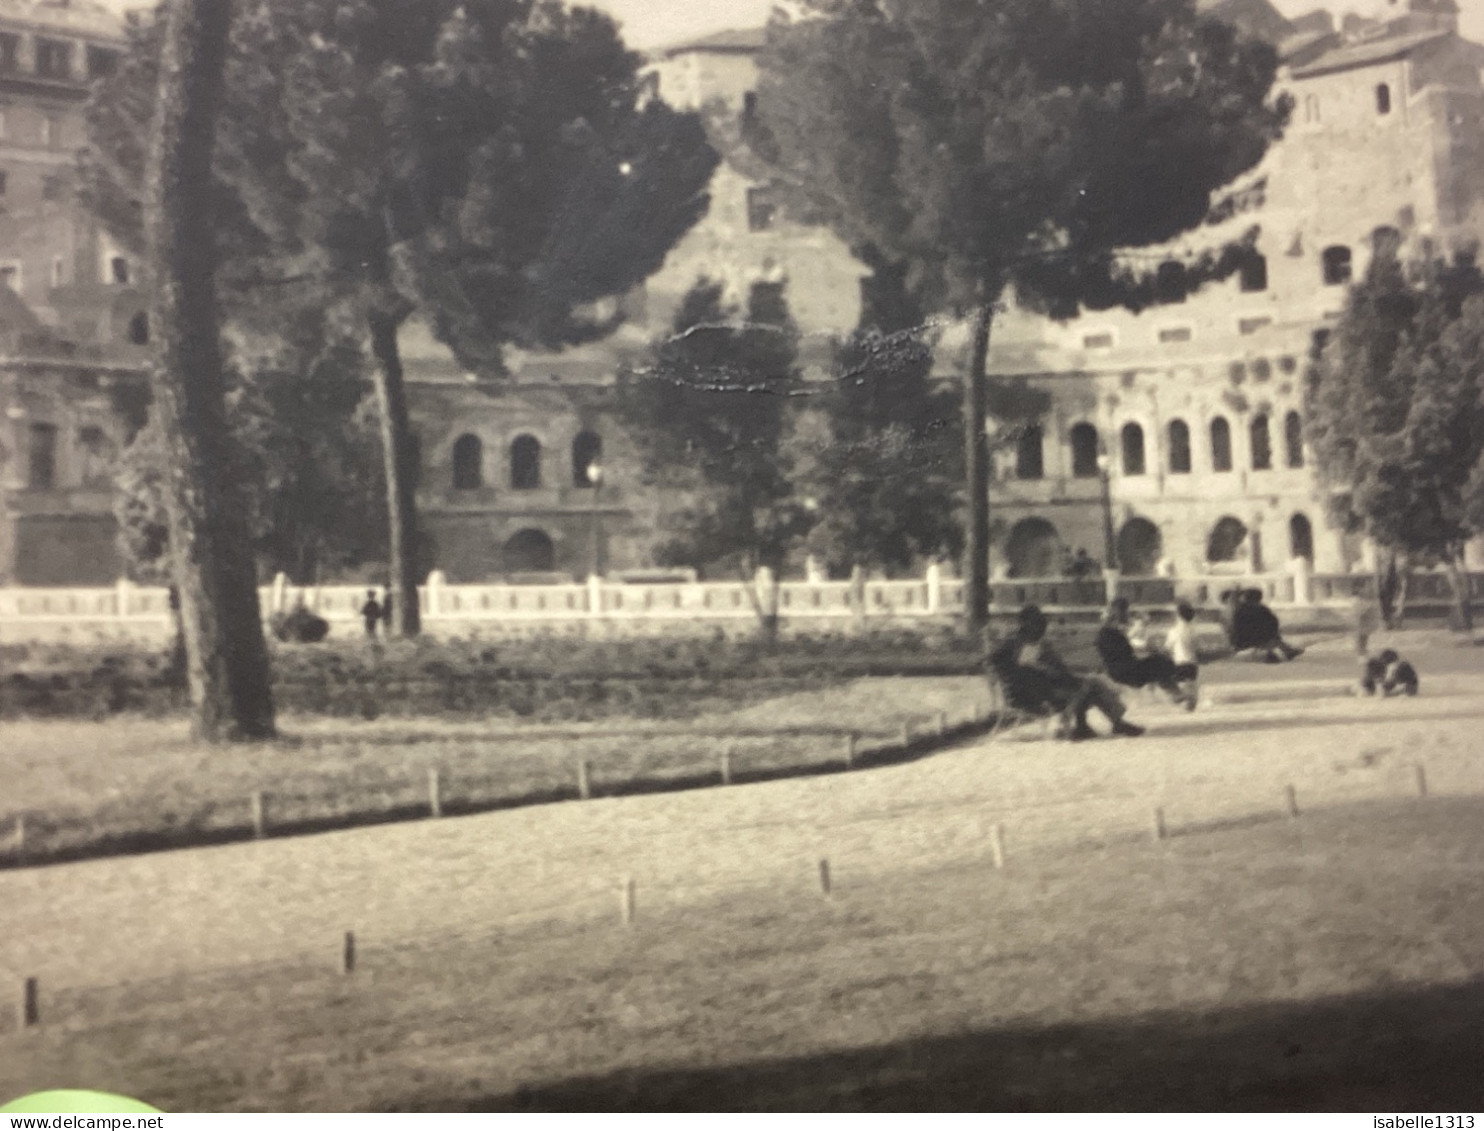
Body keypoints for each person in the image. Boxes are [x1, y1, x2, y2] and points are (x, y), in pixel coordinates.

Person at [987, 605, 1144, 741]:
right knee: (1087, 685)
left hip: (1042, 688)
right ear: (1026, 624)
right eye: (1037, 623)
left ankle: (1100, 725)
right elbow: (996, 661)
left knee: (1090, 683)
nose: (1042, 627)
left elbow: (1057, 669)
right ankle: (1102, 724)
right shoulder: (1015, 644)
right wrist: (1016, 671)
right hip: (1030, 693)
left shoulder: (1037, 644)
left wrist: (1053, 668)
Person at [1096, 597, 1192, 707]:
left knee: (1158, 662)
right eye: (1126, 611)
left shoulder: (1110, 631)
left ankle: (1174, 693)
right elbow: (1125, 650)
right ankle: (1175, 693)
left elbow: (1124, 650)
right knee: (1161, 662)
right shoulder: (1110, 632)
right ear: (1120, 611)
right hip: (1126, 671)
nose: (1128, 614)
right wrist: (1147, 648)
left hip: (1120, 669)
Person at [1230, 588, 1303, 662]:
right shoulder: (1260, 609)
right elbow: (1272, 621)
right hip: (1256, 639)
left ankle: (1285, 651)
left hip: (1242, 638)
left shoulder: (1241, 609)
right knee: (1272, 638)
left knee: (1270, 637)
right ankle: (1284, 652)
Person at [1164, 601, 1201, 710]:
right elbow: (1197, 647)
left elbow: (1167, 647)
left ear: (1178, 615)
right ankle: (1191, 704)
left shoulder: (1174, 631)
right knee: (1192, 685)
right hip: (1192, 663)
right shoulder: (1193, 630)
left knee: (1179, 686)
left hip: (1179, 662)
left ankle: (1182, 700)